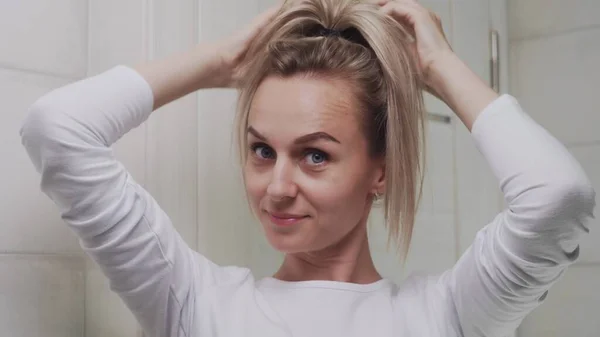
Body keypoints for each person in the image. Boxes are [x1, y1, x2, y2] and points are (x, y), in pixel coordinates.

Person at [20, 0, 595, 336]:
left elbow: (557, 197)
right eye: (261, 150)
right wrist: (218, 62)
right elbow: (58, 130)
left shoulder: (443, 317)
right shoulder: (195, 304)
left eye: (315, 155)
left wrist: (440, 68)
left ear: (381, 171)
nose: (276, 187)